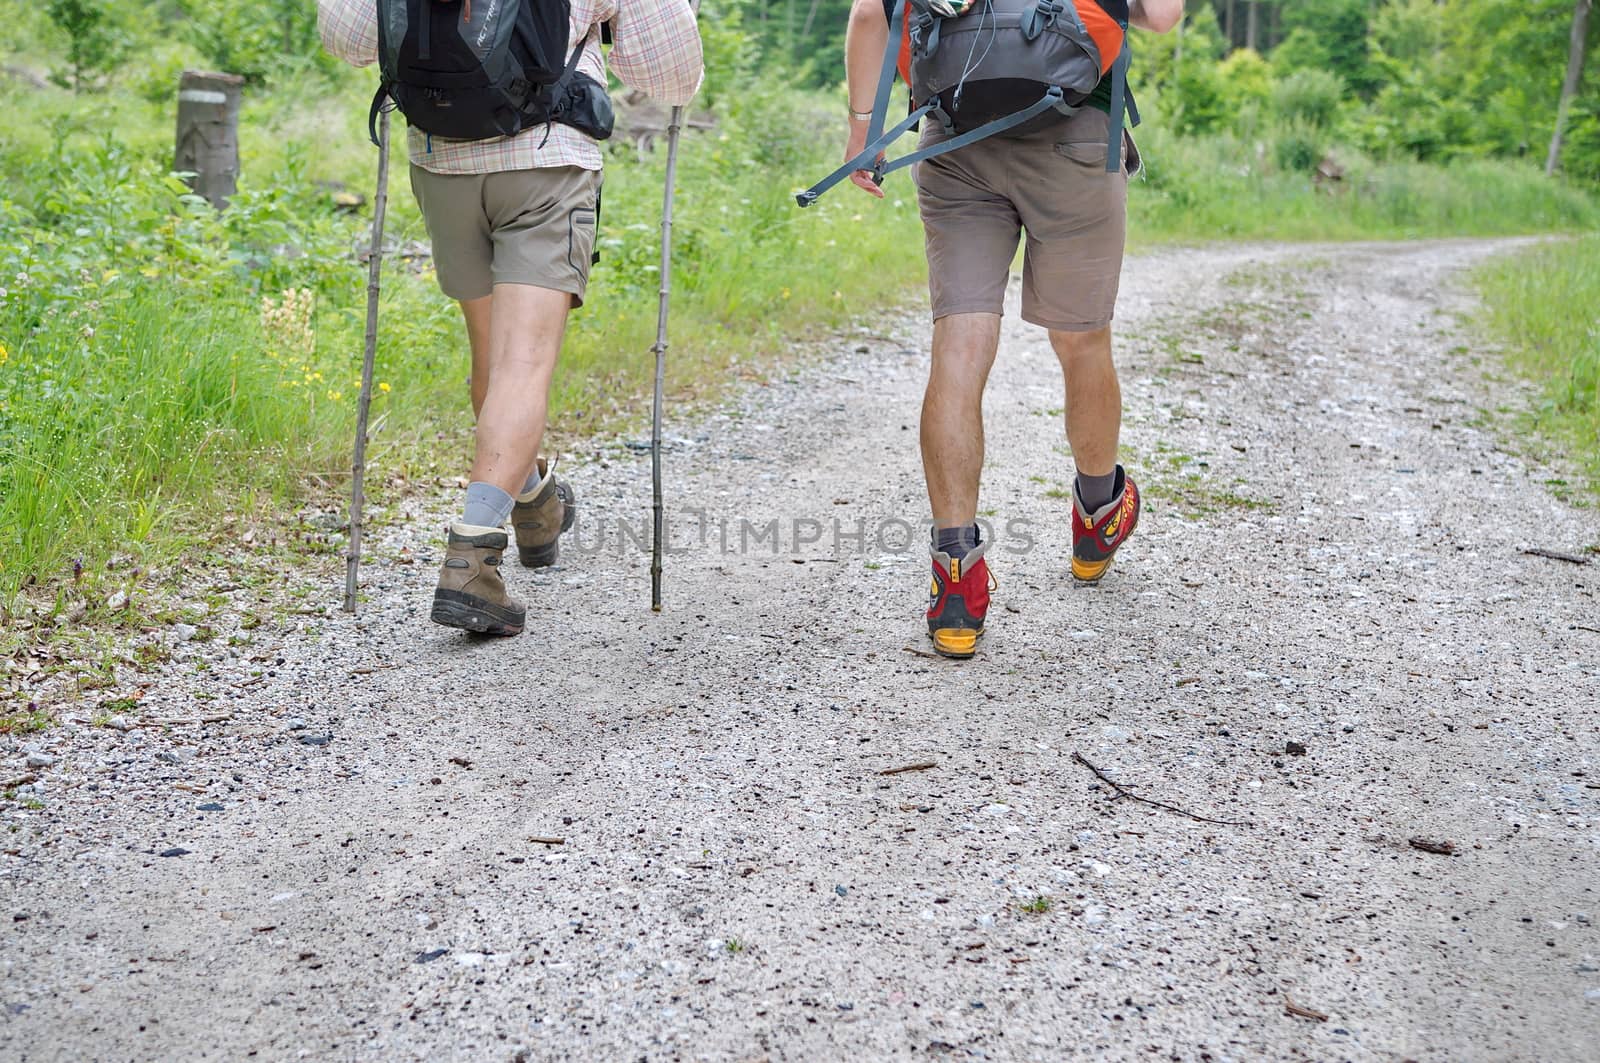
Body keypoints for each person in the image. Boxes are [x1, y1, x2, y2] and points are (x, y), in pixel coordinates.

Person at [319, 0, 703, 635]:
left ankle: (534, 502)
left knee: (493, 357)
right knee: (521, 365)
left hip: (443, 160)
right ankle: (471, 555)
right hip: (546, 164)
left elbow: (348, 36)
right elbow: (671, 75)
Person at [841, 0, 1182, 658]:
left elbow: (868, 15)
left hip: (954, 133)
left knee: (960, 346)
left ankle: (957, 582)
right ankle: (1097, 514)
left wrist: (862, 131)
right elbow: (1162, 16)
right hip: (1075, 132)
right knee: (1082, 339)